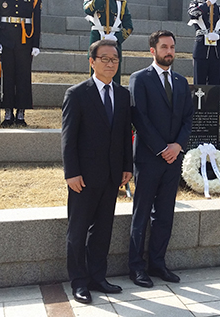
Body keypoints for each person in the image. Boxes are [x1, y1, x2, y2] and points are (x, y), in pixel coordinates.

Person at [61, 39, 134, 304]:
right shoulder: (77, 94)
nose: (110, 63)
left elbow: (125, 134)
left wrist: (127, 166)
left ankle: (97, 277)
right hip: (83, 177)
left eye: (114, 59)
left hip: (112, 175)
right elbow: (68, 139)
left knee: (103, 230)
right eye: (104, 58)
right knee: (78, 230)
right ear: (92, 62)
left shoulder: (123, 95)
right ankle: (79, 282)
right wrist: (71, 173)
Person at [127, 30, 194, 288]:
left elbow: (188, 117)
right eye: (164, 47)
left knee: (165, 214)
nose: (170, 52)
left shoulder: (180, 80)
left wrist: (177, 146)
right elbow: (139, 117)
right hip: (148, 158)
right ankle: (136, 268)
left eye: (173, 47)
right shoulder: (139, 79)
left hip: (173, 159)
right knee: (141, 214)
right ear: (152, 50)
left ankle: (157, 263)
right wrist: (161, 148)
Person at [83, 0, 134, 85]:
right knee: (95, 73)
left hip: (114, 42)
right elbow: (88, 10)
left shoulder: (120, 3)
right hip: (97, 40)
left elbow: (129, 26)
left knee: (114, 74)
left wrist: (116, 38)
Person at [187, 0, 220, 85]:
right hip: (201, 51)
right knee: (199, 85)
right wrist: (207, 3)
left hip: (216, 52)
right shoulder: (196, 4)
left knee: (214, 86)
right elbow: (193, 14)